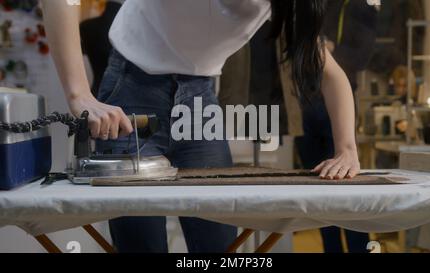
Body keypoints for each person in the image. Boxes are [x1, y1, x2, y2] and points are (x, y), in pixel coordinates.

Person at [41, 0, 360, 253]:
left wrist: (346, 149)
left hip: (199, 101)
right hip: (132, 90)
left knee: (217, 245)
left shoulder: (286, 5)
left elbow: (331, 75)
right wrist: (79, 94)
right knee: (141, 243)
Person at [296, 0, 378, 253]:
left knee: (347, 187)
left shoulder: (363, 6)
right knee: (318, 187)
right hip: (303, 103)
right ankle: (330, 249)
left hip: (338, 104)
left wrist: (329, 50)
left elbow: (361, 58)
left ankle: (359, 249)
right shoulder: (318, 5)